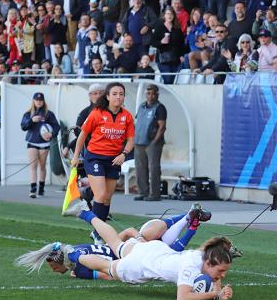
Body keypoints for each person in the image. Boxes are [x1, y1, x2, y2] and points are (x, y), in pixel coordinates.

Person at [62, 207, 234, 300]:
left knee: (115, 243)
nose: (223, 275)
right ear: (210, 262)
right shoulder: (190, 267)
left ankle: (86, 213)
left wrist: (219, 291)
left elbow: (214, 274)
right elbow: (183, 297)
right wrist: (215, 294)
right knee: (106, 267)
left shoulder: (203, 255)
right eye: (221, 270)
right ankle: (73, 255)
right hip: (140, 265)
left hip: (154, 249)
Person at [17, 203, 212, 280]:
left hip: (132, 257)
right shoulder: (190, 261)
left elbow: (107, 274)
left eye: (52, 266)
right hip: (138, 247)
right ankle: (188, 217)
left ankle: (190, 220)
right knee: (146, 239)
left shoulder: (79, 268)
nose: (53, 270)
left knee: (112, 266)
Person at [71, 82, 135, 222]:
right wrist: (76, 156)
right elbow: (82, 136)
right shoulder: (96, 113)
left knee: (106, 198)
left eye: (121, 94)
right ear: (107, 96)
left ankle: (97, 232)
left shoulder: (127, 116)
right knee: (100, 195)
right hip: (95, 157)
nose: (118, 97)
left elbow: (130, 140)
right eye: (114, 94)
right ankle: (97, 229)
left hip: (114, 159)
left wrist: (123, 154)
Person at [20, 92, 60, 198]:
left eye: (41, 100)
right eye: (37, 100)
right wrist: (31, 121)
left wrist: (51, 134)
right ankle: (33, 189)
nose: (39, 102)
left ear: (43, 101)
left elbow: (56, 126)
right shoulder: (28, 113)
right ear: (33, 101)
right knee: (33, 166)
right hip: (32, 142)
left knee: (42, 165)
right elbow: (23, 126)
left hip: (44, 143)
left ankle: (41, 188)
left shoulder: (48, 114)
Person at [133, 84, 167, 201]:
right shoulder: (142, 106)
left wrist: (155, 141)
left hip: (152, 142)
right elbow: (138, 122)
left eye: (153, 93)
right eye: (148, 93)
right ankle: (143, 192)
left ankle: (154, 194)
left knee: (154, 169)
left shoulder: (160, 107)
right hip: (139, 142)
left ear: (157, 94)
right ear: (145, 94)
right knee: (140, 168)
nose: (150, 96)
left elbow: (162, 127)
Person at [151, 7, 185, 84]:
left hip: (175, 59)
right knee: (168, 80)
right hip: (163, 59)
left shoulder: (177, 29)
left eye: (171, 14)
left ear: (174, 16)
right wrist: (161, 42)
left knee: (172, 81)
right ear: (164, 16)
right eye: (168, 14)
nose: (169, 16)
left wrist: (182, 55)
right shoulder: (159, 27)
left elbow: (181, 44)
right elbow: (152, 42)